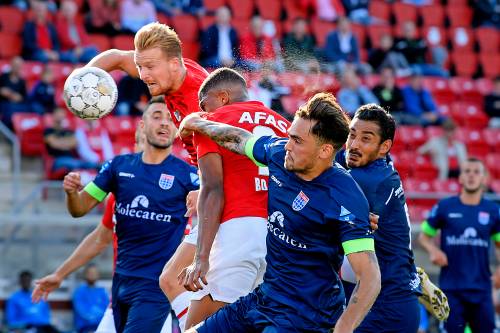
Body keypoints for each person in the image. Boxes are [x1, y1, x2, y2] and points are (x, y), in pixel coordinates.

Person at [179, 92, 381, 333]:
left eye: (297, 141)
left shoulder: (345, 198)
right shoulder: (279, 155)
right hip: (264, 299)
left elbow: (370, 278)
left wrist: (344, 328)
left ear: (325, 151)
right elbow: (238, 139)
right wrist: (196, 123)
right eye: (289, 137)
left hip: (305, 316)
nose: (287, 145)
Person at [61, 97, 199, 333]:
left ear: (177, 129)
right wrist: (72, 193)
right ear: (142, 125)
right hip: (121, 283)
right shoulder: (117, 167)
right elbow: (79, 209)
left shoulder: (188, 176)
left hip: (156, 286)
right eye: (157, 116)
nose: (165, 123)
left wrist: (203, 196)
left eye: (170, 119)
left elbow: (219, 199)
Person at [168, 68, 290, 330]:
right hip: (281, 240)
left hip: (238, 232)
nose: (202, 108)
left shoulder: (212, 121)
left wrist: (201, 258)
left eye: (204, 102)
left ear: (222, 97)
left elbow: (213, 190)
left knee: (200, 327)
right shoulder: (286, 126)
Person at [33, 125, 147, 333]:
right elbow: (99, 237)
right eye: (141, 143)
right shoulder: (120, 191)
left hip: (153, 303)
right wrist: (60, 274)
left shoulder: (180, 186)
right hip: (120, 301)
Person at [335, 104, 422, 332]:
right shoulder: (380, 167)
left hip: (385, 308)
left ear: (384, 147)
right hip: (390, 295)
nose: (353, 145)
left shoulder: (366, 180)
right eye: (351, 135)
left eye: (365, 139)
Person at [86, 21, 208, 165]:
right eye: (139, 66)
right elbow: (117, 57)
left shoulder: (199, 106)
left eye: (150, 67)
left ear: (174, 64)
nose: (143, 75)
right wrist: (82, 76)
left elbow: (219, 168)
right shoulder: (175, 67)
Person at [418, 158, 500, 333]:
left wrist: (499, 273)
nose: (471, 175)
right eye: (467, 171)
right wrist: (434, 250)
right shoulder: (445, 206)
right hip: (451, 290)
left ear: (484, 178)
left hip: (482, 289)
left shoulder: (493, 210)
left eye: (476, 172)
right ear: (460, 178)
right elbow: (424, 237)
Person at [72, 264, 109, 333]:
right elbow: (82, 312)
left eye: (95, 273)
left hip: (102, 327)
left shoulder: (102, 291)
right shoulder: (79, 292)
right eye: (90, 273)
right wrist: (95, 318)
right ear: (85, 274)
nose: (93, 275)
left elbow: (107, 309)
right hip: (85, 328)